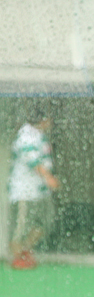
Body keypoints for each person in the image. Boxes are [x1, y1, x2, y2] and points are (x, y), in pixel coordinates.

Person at [8, 111, 60, 269]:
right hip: (23, 191)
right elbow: (32, 159)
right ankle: (17, 258)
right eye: (49, 119)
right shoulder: (26, 135)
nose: (51, 123)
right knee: (21, 226)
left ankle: (25, 251)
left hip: (39, 191)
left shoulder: (39, 135)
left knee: (43, 224)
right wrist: (48, 177)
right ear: (43, 119)